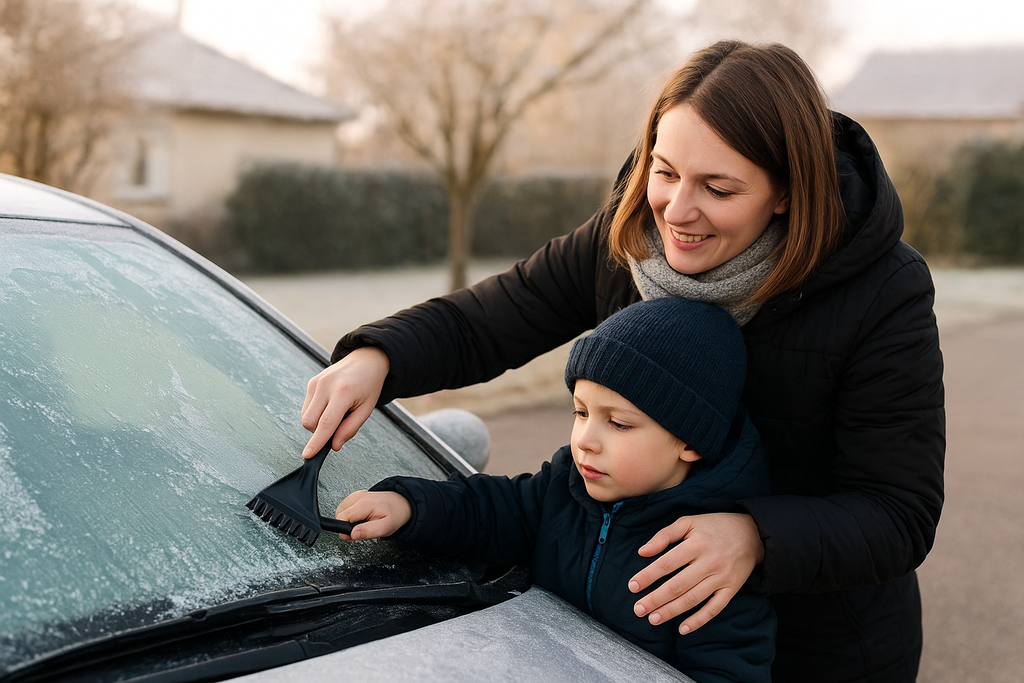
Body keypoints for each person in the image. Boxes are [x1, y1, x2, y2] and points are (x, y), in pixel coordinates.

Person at [301, 40, 945, 682]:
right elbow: (491, 320)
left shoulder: (881, 292)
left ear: (785, 193)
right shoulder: (627, 236)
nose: (677, 211)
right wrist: (379, 355)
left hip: (819, 648)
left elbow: (899, 511)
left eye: (718, 188)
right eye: (665, 172)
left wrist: (754, 535)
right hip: (619, 643)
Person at [335, 297, 776, 682]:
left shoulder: (707, 561)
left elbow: (729, 670)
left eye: (618, 423)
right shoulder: (565, 488)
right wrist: (410, 506)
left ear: (691, 441)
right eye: (581, 413)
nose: (585, 438)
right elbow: (490, 511)